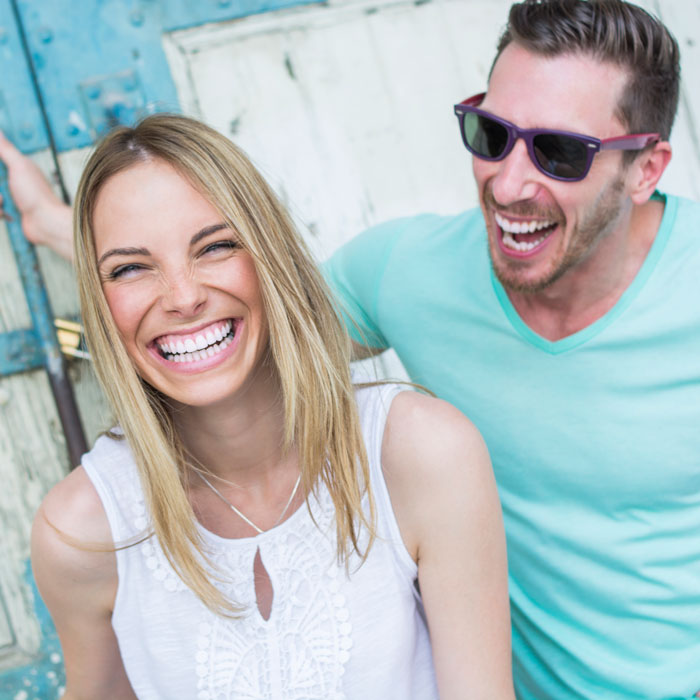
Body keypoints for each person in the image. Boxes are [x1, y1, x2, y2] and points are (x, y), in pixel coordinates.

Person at [5, 1, 698, 697]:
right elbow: (233, 317)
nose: (510, 183)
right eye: (491, 134)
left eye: (560, 152)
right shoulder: (408, 273)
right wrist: (60, 226)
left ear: (646, 170)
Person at [28, 114, 513, 699]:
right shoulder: (82, 533)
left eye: (216, 247)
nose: (183, 298)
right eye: (131, 268)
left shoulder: (420, 455)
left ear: (271, 258)